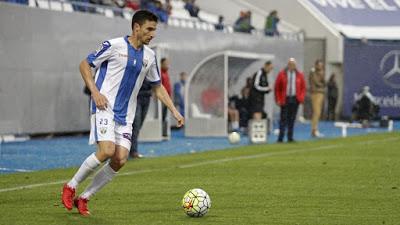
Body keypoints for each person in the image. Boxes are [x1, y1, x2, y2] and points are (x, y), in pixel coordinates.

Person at [61, 10, 184, 216]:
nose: (153, 34)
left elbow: (157, 87)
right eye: (149, 29)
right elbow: (84, 64)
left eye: (154, 30)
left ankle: (84, 198)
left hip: (126, 115)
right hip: (104, 107)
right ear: (136, 27)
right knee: (107, 151)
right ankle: (71, 186)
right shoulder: (113, 45)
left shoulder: (150, 56)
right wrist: (95, 92)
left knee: (120, 159)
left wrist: (174, 111)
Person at [274, 58, 306, 143]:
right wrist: (278, 99)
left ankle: (290, 137)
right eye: (290, 64)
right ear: (288, 65)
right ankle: (280, 137)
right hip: (285, 99)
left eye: (293, 65)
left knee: (292, 119)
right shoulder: (282, 74)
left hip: (295, 99)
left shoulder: (299, 75)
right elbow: (277, 88)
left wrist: (301, 98)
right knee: (283, 118)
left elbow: (303, 88)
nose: (292, 66)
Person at [129, 80, 152, 159]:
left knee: (139, 125)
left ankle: (130, 149)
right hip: (136, 97)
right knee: (136, 124)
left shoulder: (150, 68)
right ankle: (133, 151)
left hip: (147, 96)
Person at [309, 59, 326, 137]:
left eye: (321, 65)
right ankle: (314, 130)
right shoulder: (313, 73)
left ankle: (315, 129)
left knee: (318, 112)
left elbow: (325, 82)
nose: (320, 67)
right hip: (315, 93)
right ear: (316, 65)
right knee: (316, 112)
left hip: (320, 93)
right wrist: (322, 85)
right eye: (319, 65)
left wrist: (322, 76)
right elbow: (317, 83)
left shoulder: (321, 72)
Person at [160, 57, 172, 136]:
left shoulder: (166, 73)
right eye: (165, 64)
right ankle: (161, 132)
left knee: (164, 115)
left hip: (167, 98)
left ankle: (163, 132)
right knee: (162, 115)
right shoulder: (161, 73)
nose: (167, 65)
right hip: (162, 98)